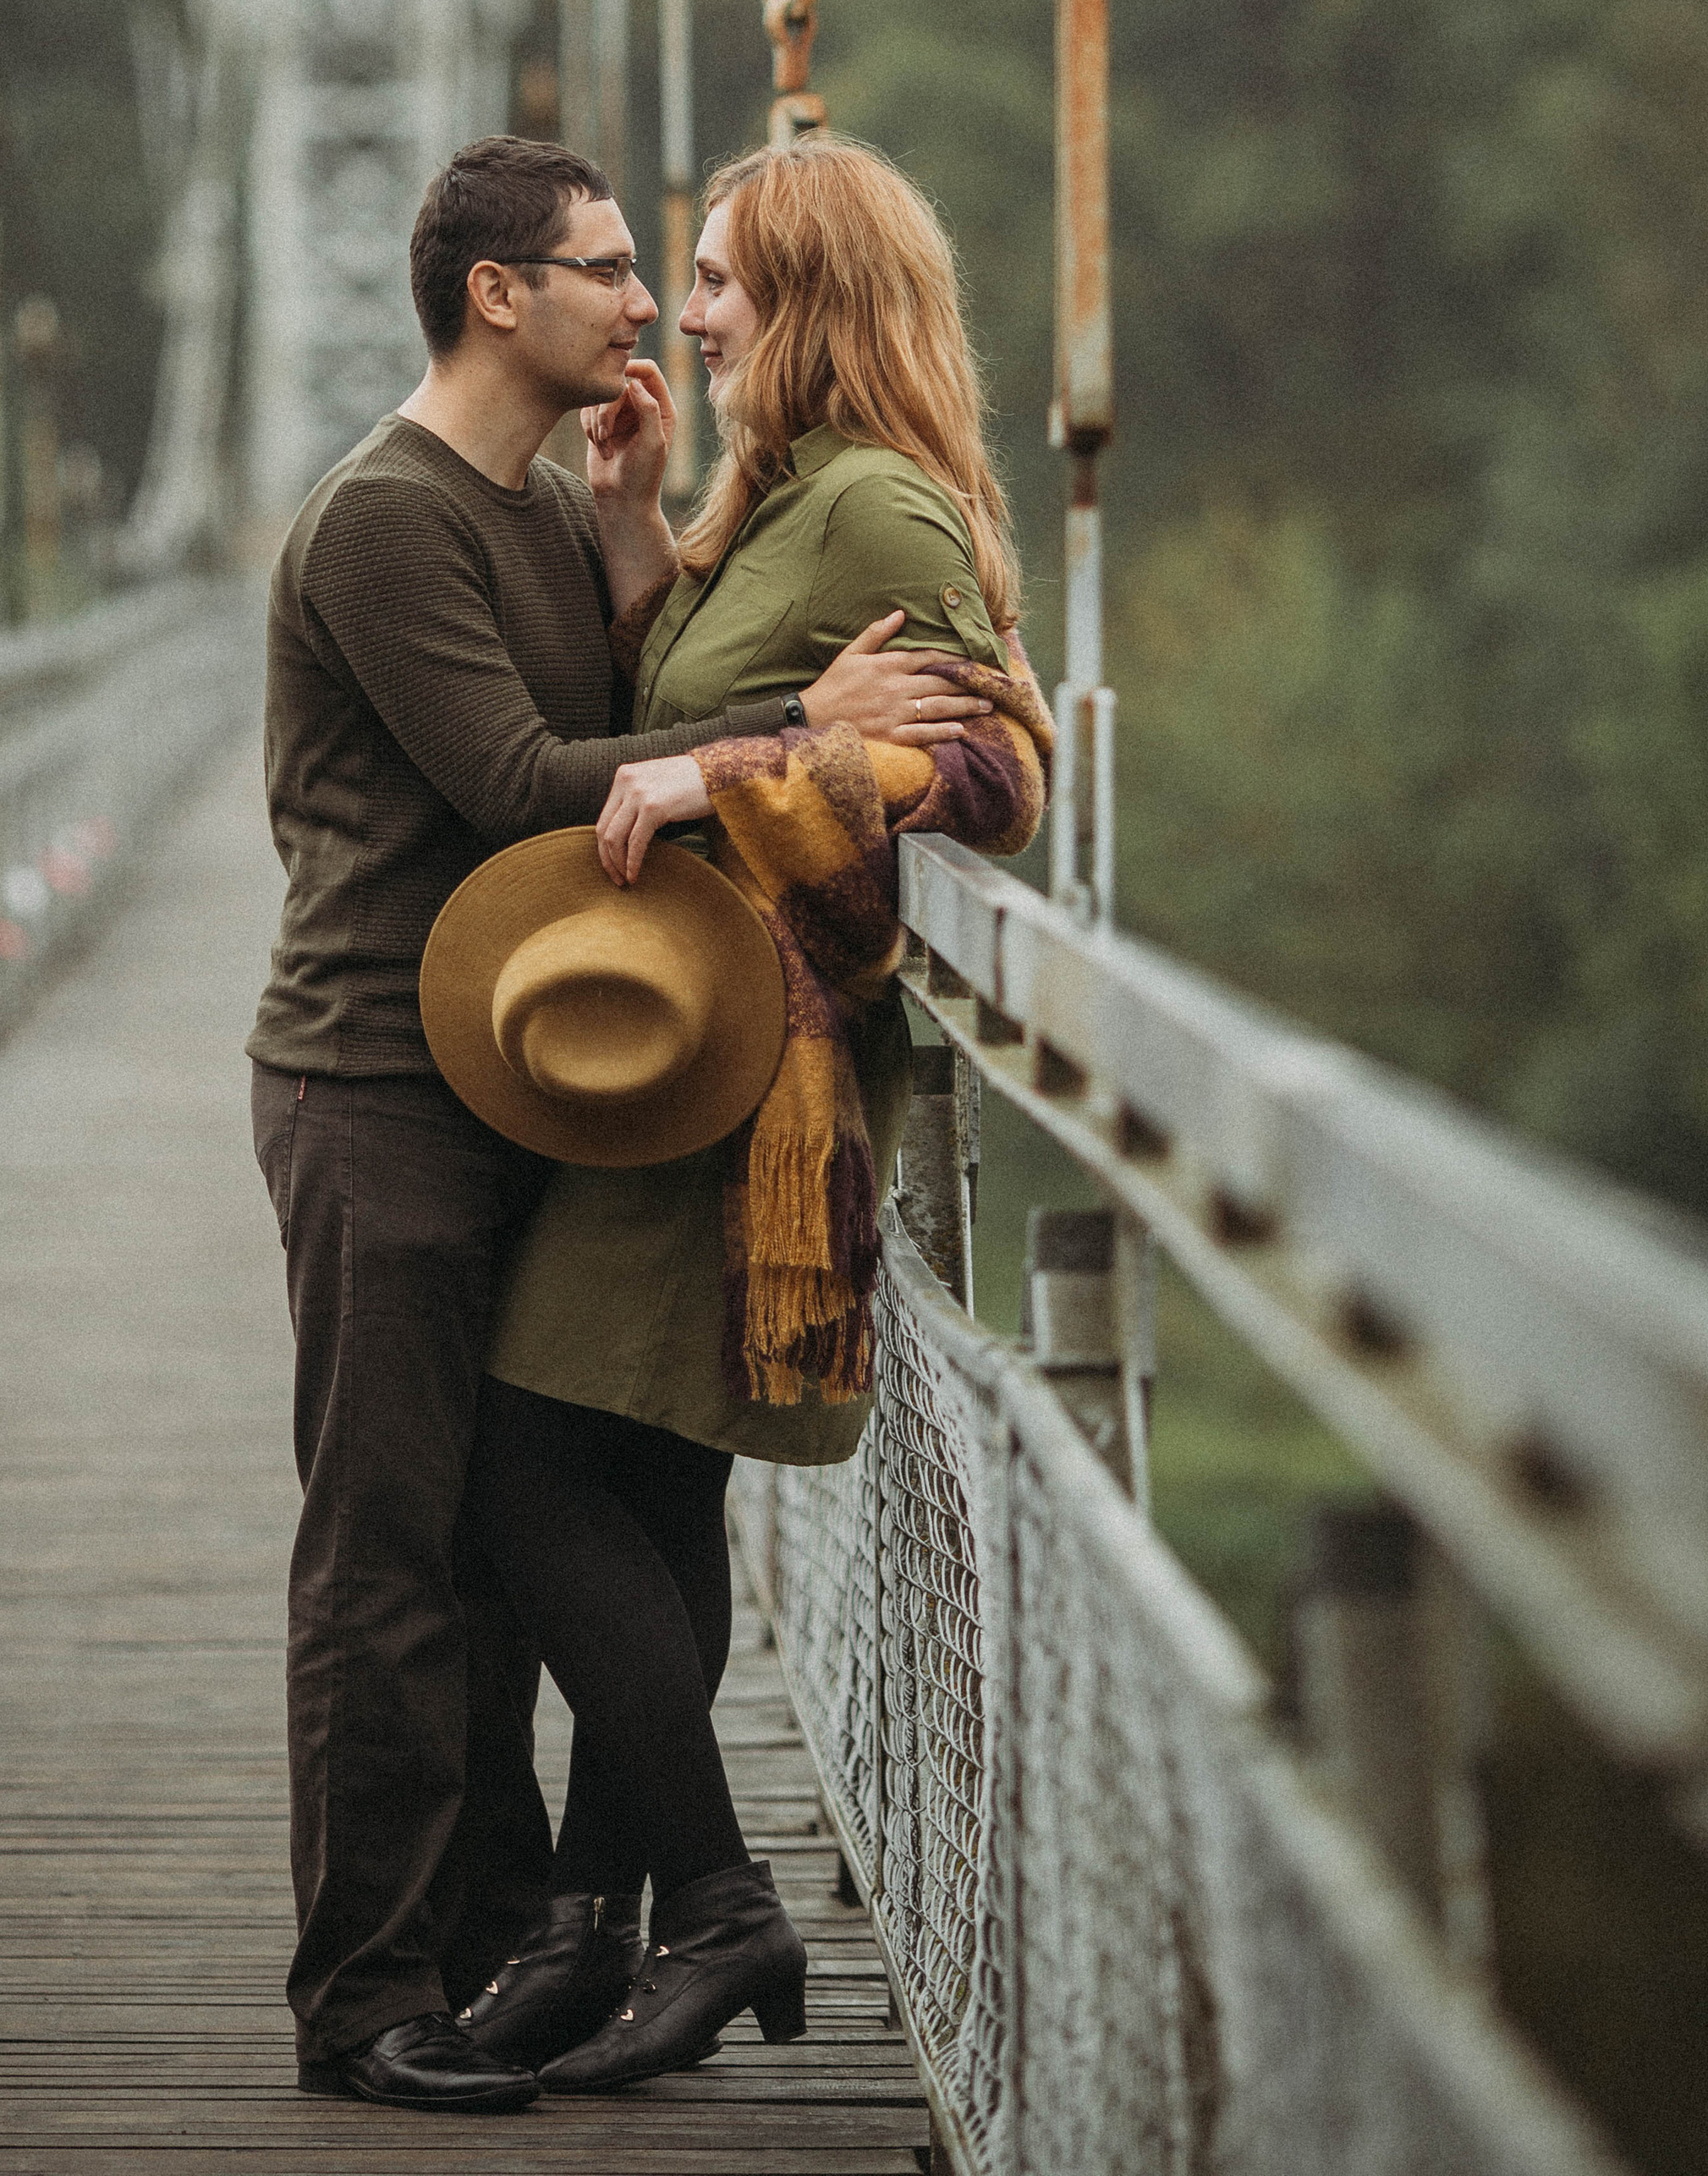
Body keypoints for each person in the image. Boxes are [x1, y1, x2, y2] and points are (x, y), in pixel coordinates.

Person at [246, 135, 979, 2113]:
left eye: (676, 271)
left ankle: (511, 1938)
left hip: (544, 1077)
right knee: (392, 1550)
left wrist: (642, 530)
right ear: (499, 296)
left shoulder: (551, 510)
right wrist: (783, 739)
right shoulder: (384, 520)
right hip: (376, 1085)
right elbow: (519, 777)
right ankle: (364, 1993)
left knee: (500, 1546)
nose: (647, 303)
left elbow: (641, 682)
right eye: (606, 267)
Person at [451, 135, 1052, 2093]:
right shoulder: (772, 493)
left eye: (711, 278)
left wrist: (753, 764)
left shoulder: (877, 505)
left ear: (804, 299)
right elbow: (711, 696)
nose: (680, 314)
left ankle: (702, 1903)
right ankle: (598, 1933)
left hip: (749, 1070)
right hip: (688, 1040)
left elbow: (992, 767)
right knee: (641, 1482)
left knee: (524, 1465)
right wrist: (634, 530)